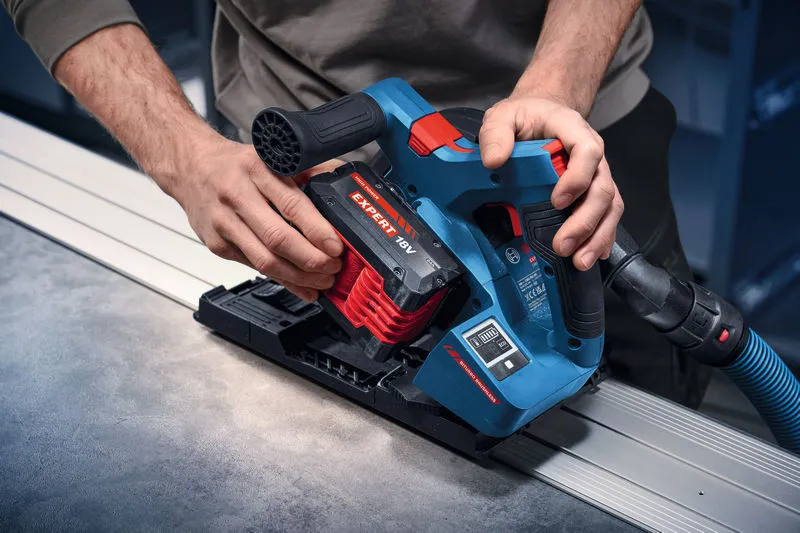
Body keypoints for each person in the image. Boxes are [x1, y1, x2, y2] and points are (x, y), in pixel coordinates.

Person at [3, 0, 710, 406]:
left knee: (630, 394)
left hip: (565, 127)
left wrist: (558, 86)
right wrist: (183, 156)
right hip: (314, 153)